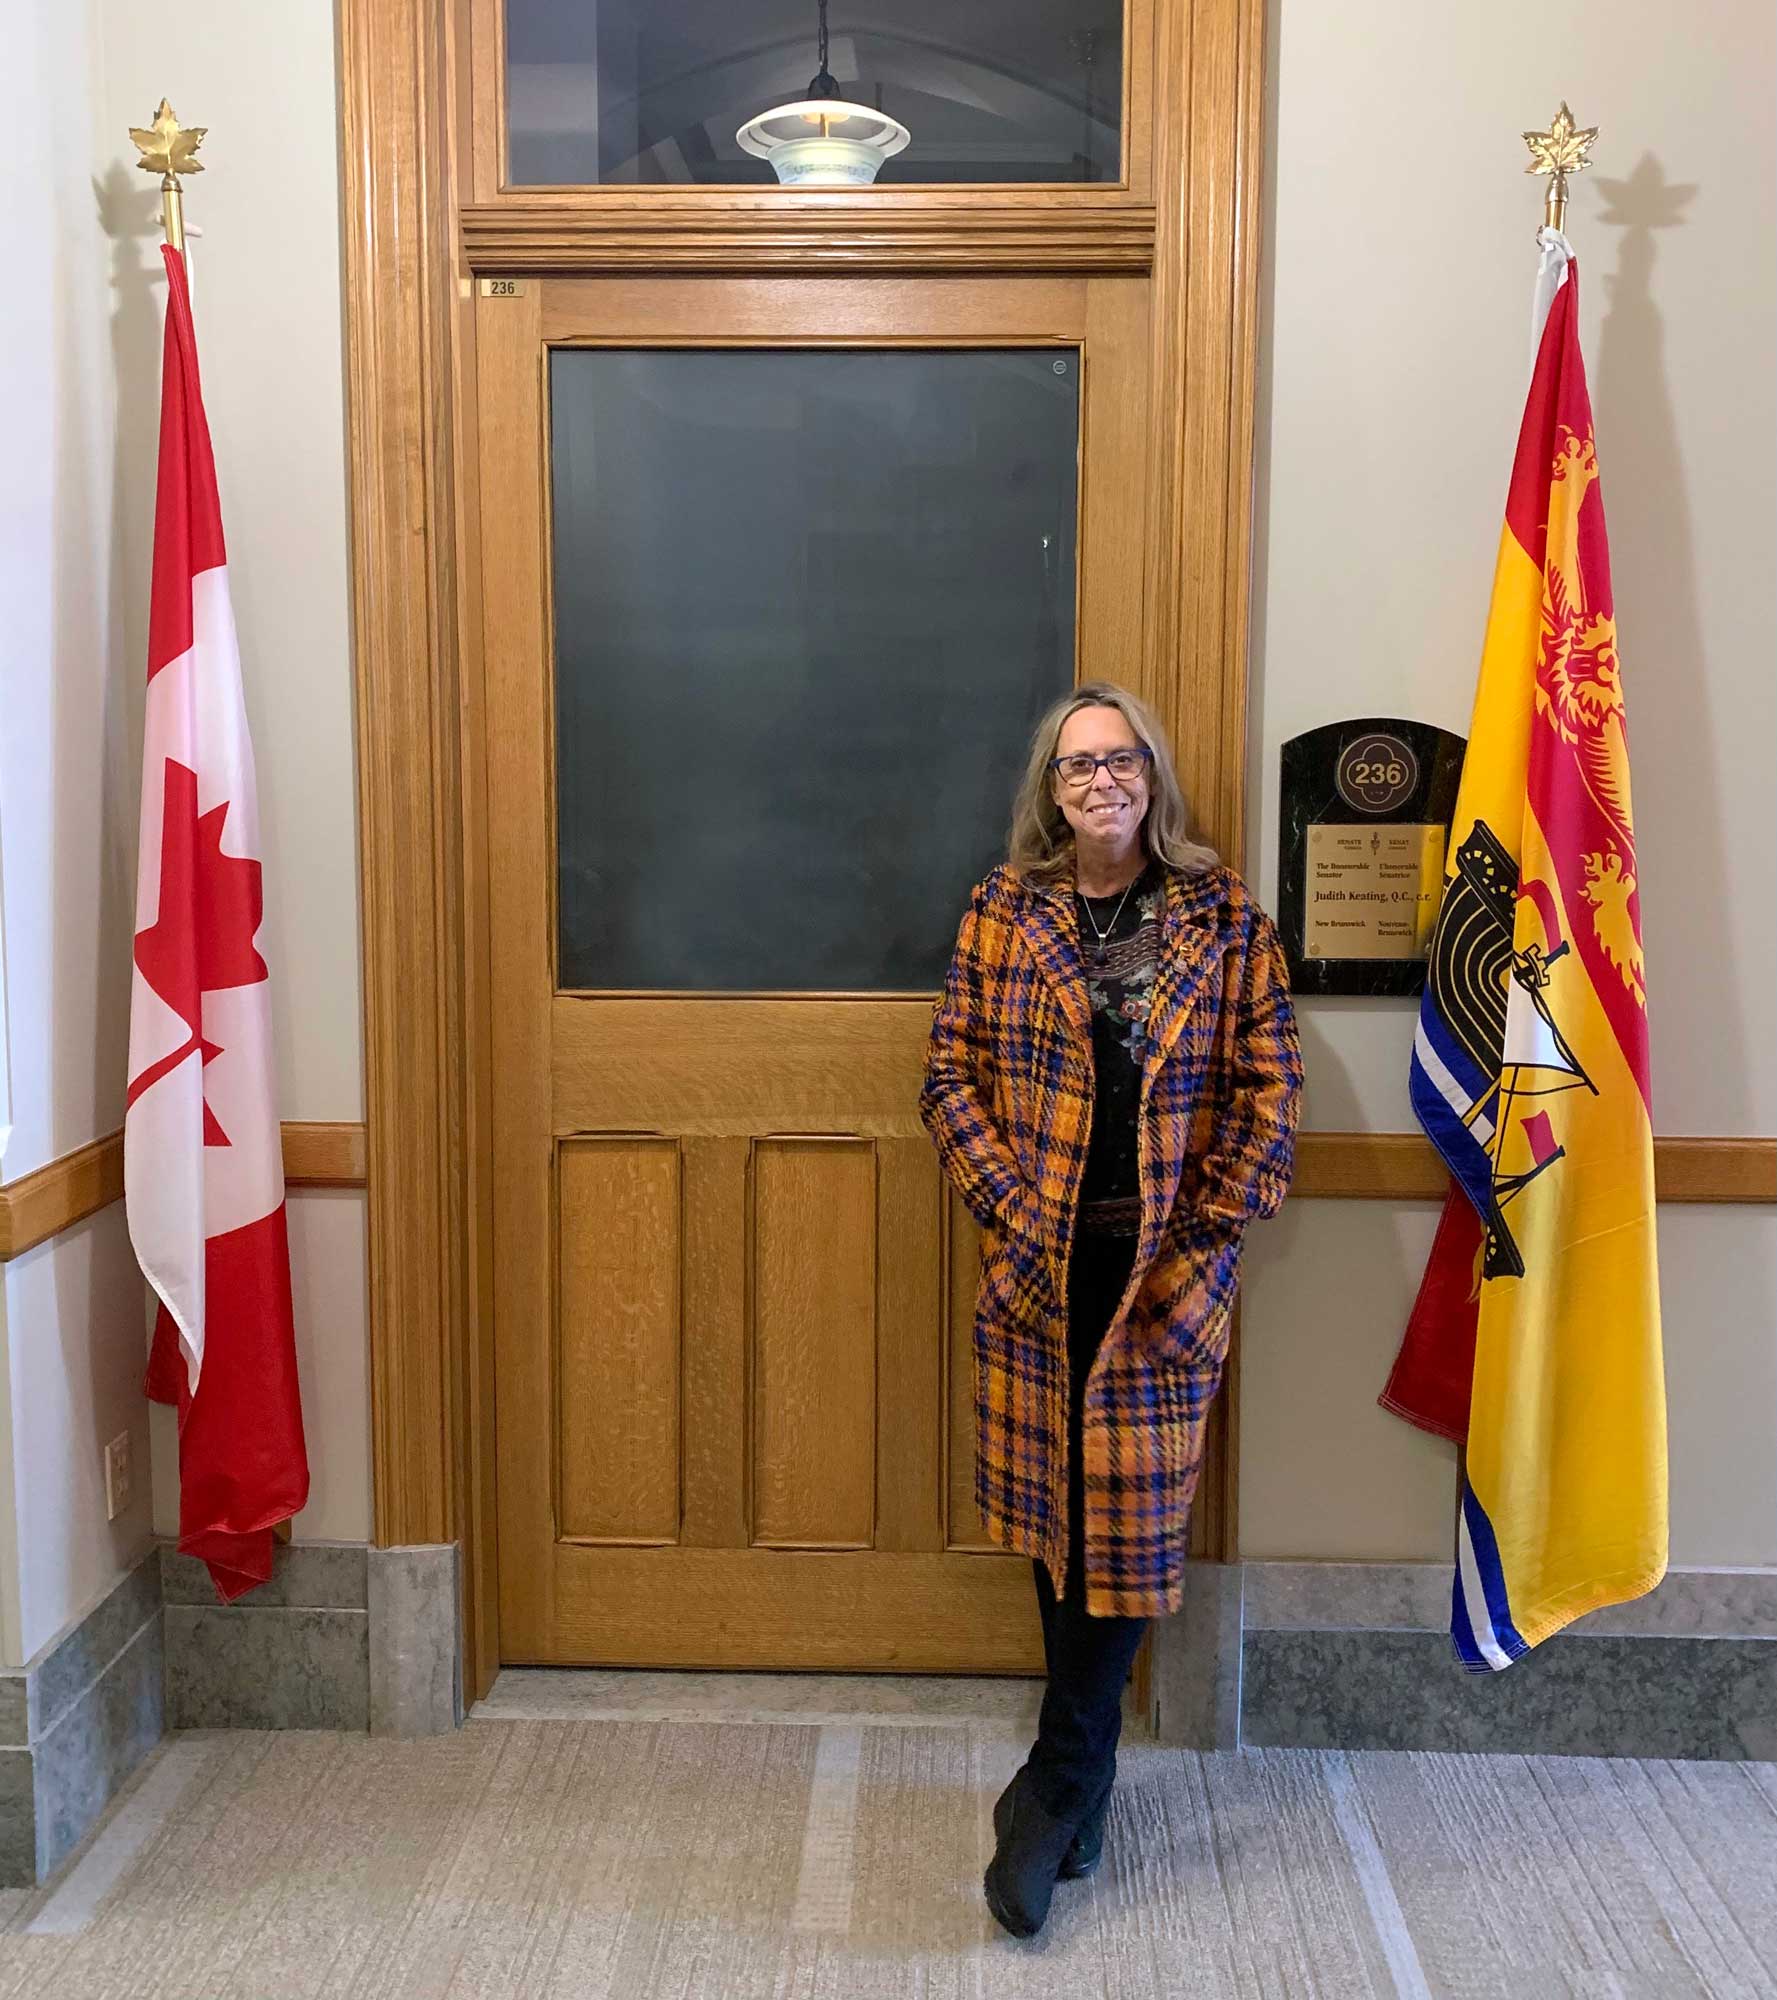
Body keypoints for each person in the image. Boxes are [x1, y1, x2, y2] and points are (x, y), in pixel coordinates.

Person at [919, 680, 1302, 1939]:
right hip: (1040, 1269)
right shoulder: (1003, 908)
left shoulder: (1223, 913)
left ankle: (1054, 1782)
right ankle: (1081, 1780)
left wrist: (1206, 1243)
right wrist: (1009, 1206)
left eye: (1119, 758)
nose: (1100, 780)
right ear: (1050, 787)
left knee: (1126, 1525)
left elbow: (1266, 1092)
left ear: (1153, 775)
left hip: (1165, 1279)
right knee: (1056, 1513)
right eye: (1076, 765)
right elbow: (949, 1076)